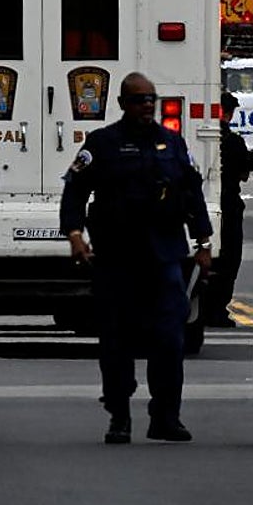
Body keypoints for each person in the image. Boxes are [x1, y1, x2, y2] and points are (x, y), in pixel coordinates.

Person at [60, 72, 213, 444]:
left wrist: (204, 241)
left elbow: (192, 192)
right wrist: (75, 234)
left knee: (170, 338)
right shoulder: (103, 143)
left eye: (151, 99)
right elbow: (75, 189)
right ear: (122, 104)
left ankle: (166, 417)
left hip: (164, 255)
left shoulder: (172, 143)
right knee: (116, 339)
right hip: (118, 256)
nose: (146, 106)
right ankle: (119, 415)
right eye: (138, 100)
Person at [205, 92, 249, 329]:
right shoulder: (235, 142)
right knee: (229, 259)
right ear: (230, 114)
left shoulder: (202, 137)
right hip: (229, 203)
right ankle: (217, 309)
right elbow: (244, 173)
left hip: (204, 203)